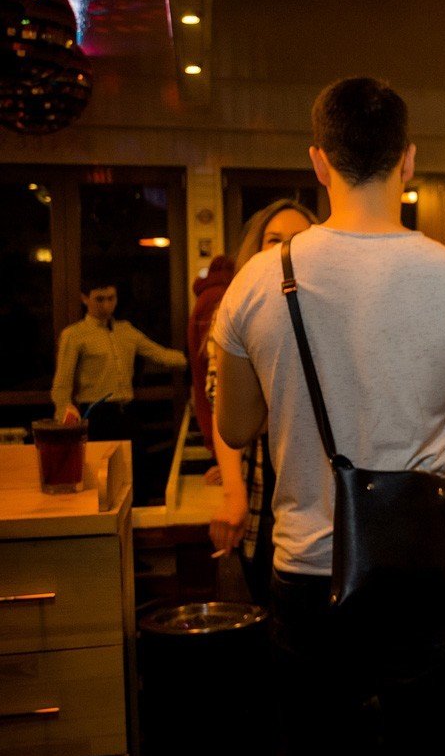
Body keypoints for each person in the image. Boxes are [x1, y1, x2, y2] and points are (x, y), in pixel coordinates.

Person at [214, 77, 445, 756]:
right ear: (408, 160)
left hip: (309, 571)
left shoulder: (258, 279)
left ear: (320, 162)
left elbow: (237, 426)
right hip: (428, 566)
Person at [207, 200, 318, 603]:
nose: (284, 250)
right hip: (263, 475)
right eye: (273, 240)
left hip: (322, 484)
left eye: (298, 240)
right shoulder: (237, 308)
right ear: (256, 249)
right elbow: (225, 411)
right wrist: (233, 491)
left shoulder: (326, 308)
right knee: (267, 597)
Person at [52, 275, 187, 440]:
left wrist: (197, 359)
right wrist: (63, 414)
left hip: (126, 411)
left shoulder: (126, 330)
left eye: (111, 298)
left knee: (132, 455)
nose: (106, 305)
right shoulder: (74, 335)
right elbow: (62, 382)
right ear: (85, 299)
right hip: (96, 413)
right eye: (99, 299)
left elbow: (160, 354)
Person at [189, 254, 235, 465]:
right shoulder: (222, 297)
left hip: (210, 418)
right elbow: (218, 376)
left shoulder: (204, 297)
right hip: (224, 429)